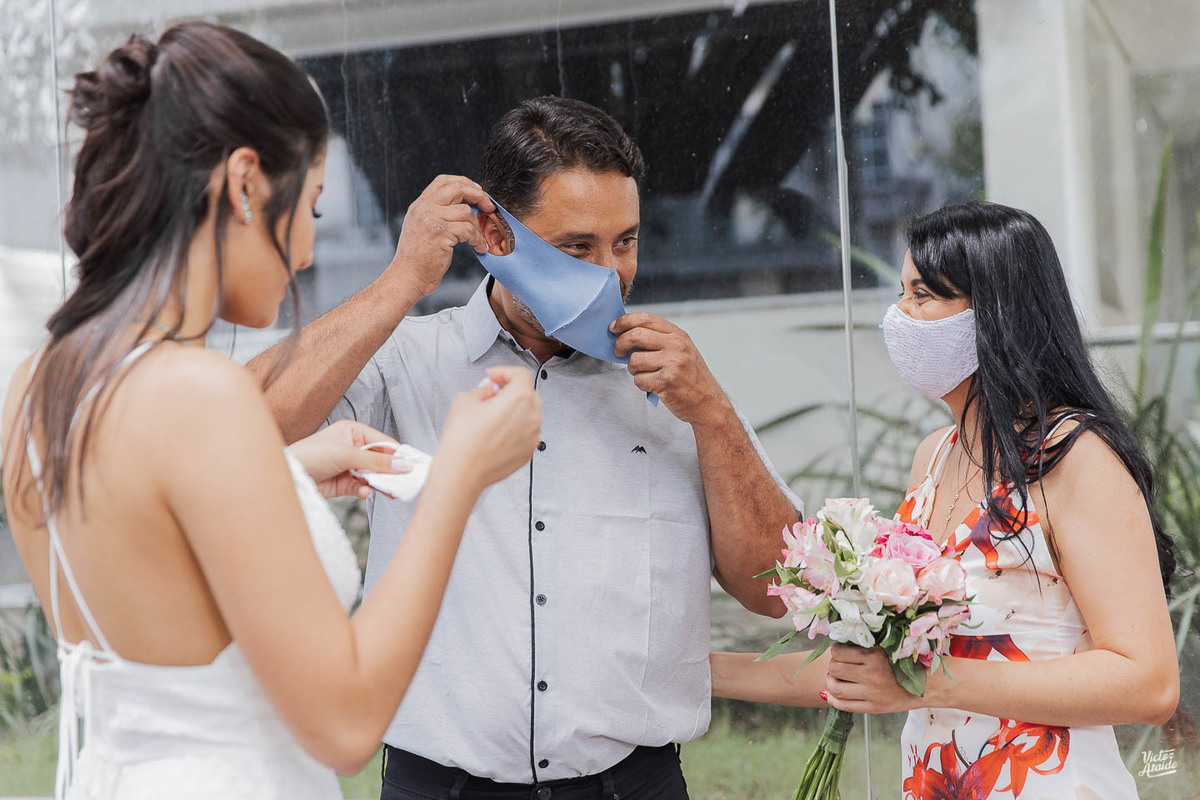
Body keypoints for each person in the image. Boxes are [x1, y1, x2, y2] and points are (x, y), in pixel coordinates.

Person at [0, 22, 542, 800]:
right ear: (246, 181)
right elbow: (347, 725)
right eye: (312, 208)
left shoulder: (39, 381)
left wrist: (282, 473)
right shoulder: (200, 396)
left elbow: (145, 545)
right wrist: (460, 473)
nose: (308, 253)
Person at [248, 96, 802, 799]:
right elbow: (242, 435)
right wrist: (402, 282)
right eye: (578, 246)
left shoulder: (680, 387)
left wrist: (715, 418)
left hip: (633, 786)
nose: (610, 273)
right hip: (436, 786)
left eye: (626, 241)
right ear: (497, 235)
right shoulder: (408, 360)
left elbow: (777, 593)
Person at [710, 202, 1179, 798]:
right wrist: (693, 672)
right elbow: (872, 673)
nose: (899, 315)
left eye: (924, 294)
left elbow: (1149, 683)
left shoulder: (1076, 454)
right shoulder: (934, 457)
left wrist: (928, 686)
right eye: (902, 291)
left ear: (998, 313)